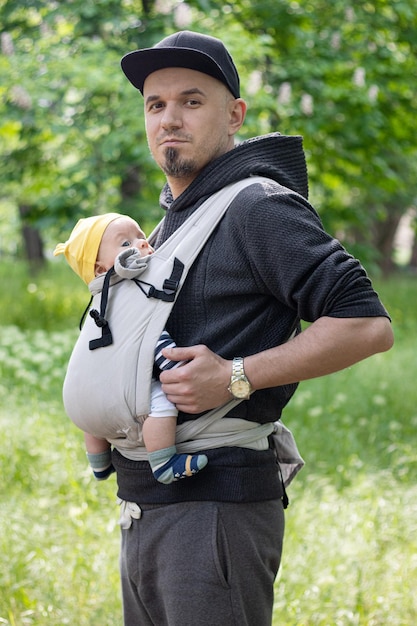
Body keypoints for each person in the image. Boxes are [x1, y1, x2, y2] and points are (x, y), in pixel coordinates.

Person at [86, 30, 392, 626]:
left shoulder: (255, 207)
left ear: (234, 115)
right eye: (156, 105)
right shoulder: (176, 220)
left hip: (214, 514)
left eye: (191, 101)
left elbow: (366, 324)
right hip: (149, 507)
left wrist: (236, 376)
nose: (170, 119)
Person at [54, 212, 208, 484]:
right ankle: (163, 462)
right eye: (125, 244)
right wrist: (174, 365)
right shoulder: (133, 291)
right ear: (101, 269)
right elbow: (148, 335)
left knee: (93, 412)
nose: (142, 244)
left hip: (82, 402)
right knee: (161, 401)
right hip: (116, 394)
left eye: (141, 236)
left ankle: (99, 463)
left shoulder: (98, 302)